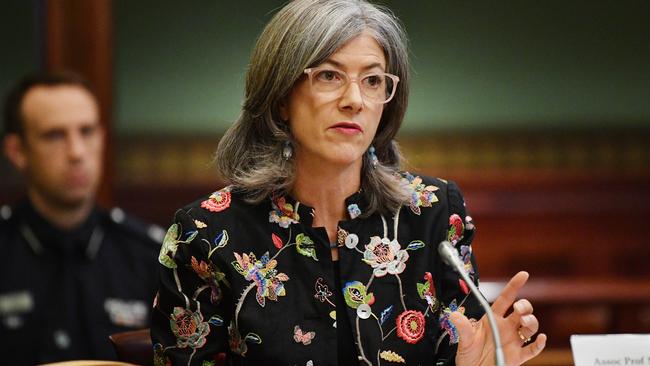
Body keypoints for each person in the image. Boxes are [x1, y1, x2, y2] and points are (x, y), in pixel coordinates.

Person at [151, 0, 546, 365]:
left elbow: (464, 346)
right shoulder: (205, 234)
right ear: (280, 97)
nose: (354, 99)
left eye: (373, 81)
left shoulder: (433, 212)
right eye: (328, 75)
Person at [0, 71, 163, 364]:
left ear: (101, 139)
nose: (76, 152)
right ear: (17, 150)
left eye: (86, 131)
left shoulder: (148, 255)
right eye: (54, 135)